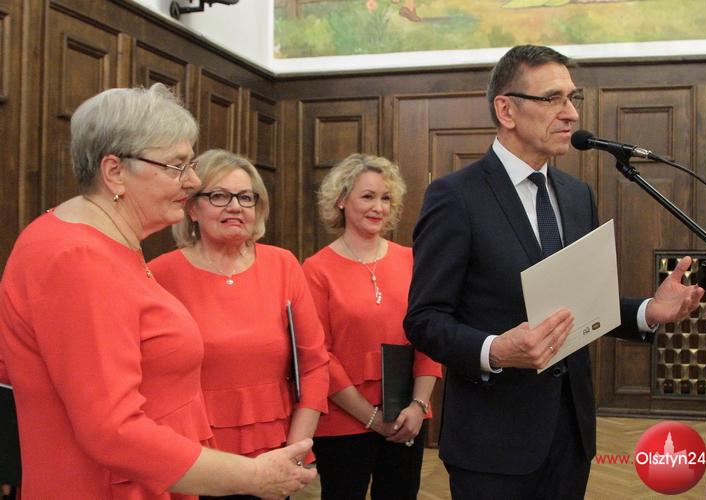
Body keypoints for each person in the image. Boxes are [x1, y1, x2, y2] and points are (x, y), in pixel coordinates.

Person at [403, 45, 705, 499]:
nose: (571, 113)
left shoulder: (576, 194)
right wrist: (495, 350)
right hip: (493, 443)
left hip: (570, 435)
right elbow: (424, 319)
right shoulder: (456, 197)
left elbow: (580, 304)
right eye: (552, 99)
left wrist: (648, 312)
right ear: (506, 109)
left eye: (571, 98)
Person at [0, 84, 315, 499]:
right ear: (115, 172)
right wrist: (253, 476)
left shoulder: (110, 244)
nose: (193, 180)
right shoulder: (77, 258)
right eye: (177, 166)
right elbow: (113, 430)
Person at [148, 149, 330, 500]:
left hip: (274, 451)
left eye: (246, 197)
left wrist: (295, 450)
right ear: (192, 207)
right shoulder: (159, 274)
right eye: (219, 196)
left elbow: (314, 365)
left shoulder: (283, 265)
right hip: (194, 458)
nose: (235, 207)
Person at [302, 153, 442, 499]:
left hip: (407, 415)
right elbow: (320, 355)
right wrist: (372, 419)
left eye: (386, 198)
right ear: (341, 199)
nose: (378, 207)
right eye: (368, 196)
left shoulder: (411, 260)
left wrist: (418, 406)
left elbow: (429, 336)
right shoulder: (316, 269)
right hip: (342, 419)